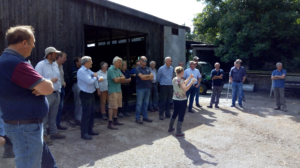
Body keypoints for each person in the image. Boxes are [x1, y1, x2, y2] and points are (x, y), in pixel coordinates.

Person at [0, 25, 56, 168]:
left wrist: (40, 87)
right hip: (25, 128)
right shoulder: (15, 63)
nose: (34, 45)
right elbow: (48, 88)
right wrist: (45, 84)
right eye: (32, 42)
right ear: (24, 43)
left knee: (48, 164)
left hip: (25, 126)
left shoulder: (7, 61)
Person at [36, 47, 66, 145]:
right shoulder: (41, 65)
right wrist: (50, 80)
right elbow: (37, 80)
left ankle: (53, 132)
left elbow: (59, 78)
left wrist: (59, 90)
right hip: (46, 94)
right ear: (49, 55)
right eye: (54, 53)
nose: (56, 55)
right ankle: (43, 135)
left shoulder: (55, 65)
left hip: (56, 93)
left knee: (53, 115)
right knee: (44, 116)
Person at [77, 56, 102, 140]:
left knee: (91, 113)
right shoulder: (81, 71)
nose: (92, 63)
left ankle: (90, 130)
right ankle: (84, 133)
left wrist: (98, 77)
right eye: (90, 61)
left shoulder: (88, 70)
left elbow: (95, 76)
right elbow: (90, 81)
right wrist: (96, 77)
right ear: (86, 63)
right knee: (86, 114)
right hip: (85, 94)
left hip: (91, 93)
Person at [168, 66, 196, 136]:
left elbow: (183, 83)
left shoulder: (175, 79)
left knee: (175, 113)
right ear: (182, 72)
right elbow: (185, 89)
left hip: (175, 99)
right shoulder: (180, 80)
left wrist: (189, 78)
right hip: (182, 100)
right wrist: (191, 82)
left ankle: (170, 127)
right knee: (181, 114)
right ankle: (178, 131)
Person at [107, 56, 126, 130]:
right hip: (113, 90)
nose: (120, 64)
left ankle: (115, 119)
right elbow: (115, 80)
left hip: (118, 90)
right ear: (115, 62)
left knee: (116, 106)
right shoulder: (110, 69)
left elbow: (124, 79)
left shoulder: (118, 69)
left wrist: (119, 79)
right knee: (111, 106)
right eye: (119, 62)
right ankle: (110, 122)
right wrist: (120, 79)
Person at [135, 56, 154, 124]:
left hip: (148, 87)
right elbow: (142, 77)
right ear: (140, 61)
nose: (145, 62)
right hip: (140, 88)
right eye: (144, 60)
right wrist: (148, 77)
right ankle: (137, 118)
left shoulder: (148, 68)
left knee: (146, 103)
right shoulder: (138, 69)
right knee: (139, 104)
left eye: (146, 60)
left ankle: (145, 117)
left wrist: (145, 76)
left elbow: (152, 76)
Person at [56, 52, 68, 130]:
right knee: (55, 108)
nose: (65, 60)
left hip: (62, 88)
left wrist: (63, 82)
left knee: (60, 107)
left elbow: (61, 76)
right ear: (59, 57)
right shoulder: (54, 66)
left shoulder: (61, 66)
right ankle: (52, 125)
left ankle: (57, 124)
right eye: (64, 58)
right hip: (56, 89)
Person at [71, 57, 83, 126]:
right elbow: (76, 78)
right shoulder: (74, 69)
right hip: (76, 86)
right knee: (78, 102)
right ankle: (77, 118)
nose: (81, 62)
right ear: (76, 62)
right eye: (80, 61)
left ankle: (80, 118)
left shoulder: (81, 69)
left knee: (81, 102)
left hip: (82, 86)